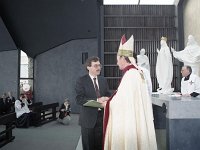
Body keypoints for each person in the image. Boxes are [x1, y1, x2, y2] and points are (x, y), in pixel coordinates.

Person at [103, 35, 157, 150]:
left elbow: (122, 103)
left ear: (123, 58)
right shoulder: (137, 72)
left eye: (117, 60)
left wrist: (107, 104)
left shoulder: (130, 75)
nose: (117, 63)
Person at [75, 56, 111, 150]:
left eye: (99, 65)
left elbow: (108, 94)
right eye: (95, 66)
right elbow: (79, 99)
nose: (98, 68)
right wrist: (98, 100)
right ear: (88, 67)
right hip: (88, 120)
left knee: (100, 146)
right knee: (88, 147)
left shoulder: (103, 80)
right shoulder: (81, 81)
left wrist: (107, 99)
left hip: (102, 118)